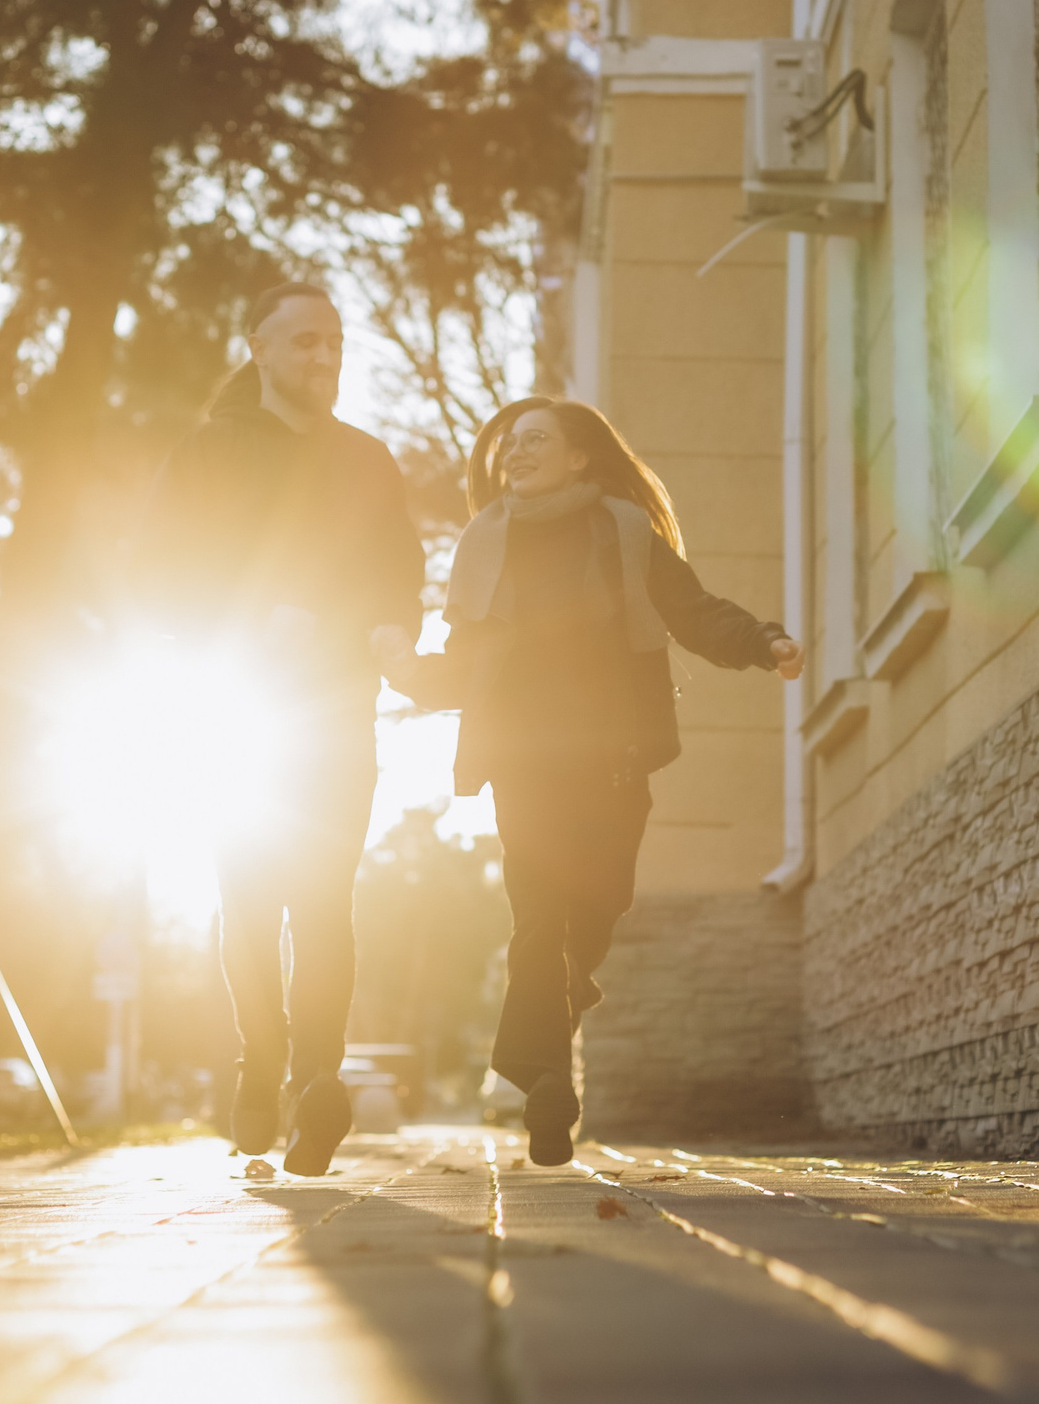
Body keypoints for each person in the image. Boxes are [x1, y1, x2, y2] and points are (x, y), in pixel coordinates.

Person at [380, 397, 802, 1167]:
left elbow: (691, 610)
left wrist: (761, 639)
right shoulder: (484, 540)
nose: (515, 452)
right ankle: (546, 1086)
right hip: (523, 755)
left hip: (613, 754)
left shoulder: (624, 528)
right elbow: (467, 657)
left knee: (597, 912)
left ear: (579, 456)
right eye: (510, 443)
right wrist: (410, 675)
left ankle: (562, 1006)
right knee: (539, 917)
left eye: (535, 440)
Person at [135, 281, 423, 1175]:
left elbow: (399, 566)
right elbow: (157, 566)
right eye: (303, 341)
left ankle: (316, 1085)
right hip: (238, 708)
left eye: (334, 341)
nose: (323, 357)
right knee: (253, 906)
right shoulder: (209, 452)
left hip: (338, 710)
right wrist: (246, 620)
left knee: (325, 899)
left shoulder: (368, 459)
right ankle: (260, 1066)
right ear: (256, 347)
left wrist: (394, 626)